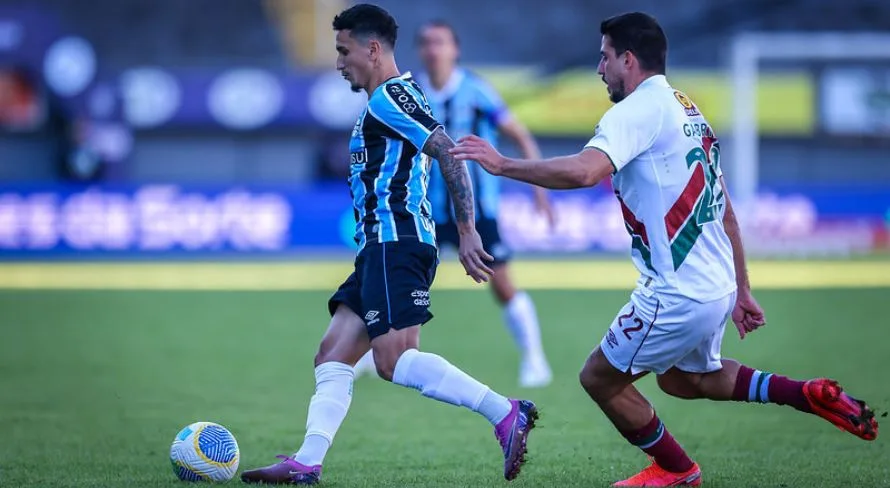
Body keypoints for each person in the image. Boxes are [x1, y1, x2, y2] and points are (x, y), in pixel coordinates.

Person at [451, 12, 878, 487]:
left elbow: (584, 172)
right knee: (684, 379)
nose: (599, 70)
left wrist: (503, 164)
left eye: (605, 57)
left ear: (628, 60)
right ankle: (805, 393)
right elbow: (726, 210)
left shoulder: (636, 110)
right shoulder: (687, 109)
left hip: (676, 292)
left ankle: (677, 471)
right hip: (714, 286)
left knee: (598, 378)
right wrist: (742, 289)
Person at [240, 4, 538, 485]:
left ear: (372, 48)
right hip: (378, 248)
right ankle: (307, 462)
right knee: (333, 354)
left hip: (395, 245)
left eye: (343, 51)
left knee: (393, 360)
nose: (339, 63)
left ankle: (505, 411)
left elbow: (446, 150)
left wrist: (466, 230)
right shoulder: (391, 97)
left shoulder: (390, 98)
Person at [354, 19, 553, 388]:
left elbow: (519, 134)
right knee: (400, 279)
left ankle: (535, 359)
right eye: (426, 43)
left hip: (476, 210)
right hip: (425, 209)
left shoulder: (476, 91)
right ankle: (376, 350)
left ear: (454, 49)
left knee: (502, 284)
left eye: (440, 42)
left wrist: (539, 189)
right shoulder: (411, 93)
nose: (433, 49)